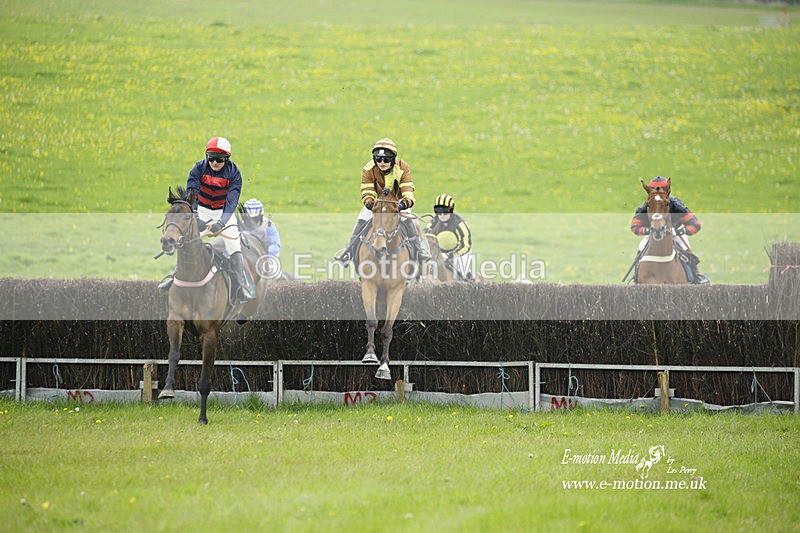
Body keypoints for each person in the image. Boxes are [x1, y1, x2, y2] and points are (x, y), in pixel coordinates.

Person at [159, 137, 256, 302]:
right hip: (201, 209)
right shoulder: (198, 168)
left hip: (223, 212)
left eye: (219, 159)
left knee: (233, 244)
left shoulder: (234, 173)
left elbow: (232, 201)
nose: (215, 162)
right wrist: (196, 215)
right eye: (211, 158)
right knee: (187, 240)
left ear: (227, 159)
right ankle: (174, 278)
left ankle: (240, 286)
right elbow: (192, 194)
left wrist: (221, 223)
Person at [335, 138, 431, 266]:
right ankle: (348, 252)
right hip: (377, 203)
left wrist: (403, 204)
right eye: (378, 159)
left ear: (392, 159)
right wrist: (370, 203)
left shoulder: (403, 167)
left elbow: (408, 191)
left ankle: (420, 252)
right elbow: (367, 191)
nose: (382, 162)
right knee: (362, 218)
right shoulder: (368, 169)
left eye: (386, 160)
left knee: (410, 221)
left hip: (398, 203)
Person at [630, 176, 708, 284]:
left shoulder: (676, 205)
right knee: (641, 248)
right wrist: (647, 231)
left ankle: (695, 277)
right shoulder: (647, 205)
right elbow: (634, 226)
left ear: (667, 192)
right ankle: (636, 279)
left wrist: (680, 232)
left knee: (685, 249)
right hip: (653, 231)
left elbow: (695, 224)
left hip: (675, 232)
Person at [424, 193, 475, 281]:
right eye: (438, 212)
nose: (442, 215)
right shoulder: (432, 222)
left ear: (451, 210)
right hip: (440, 251)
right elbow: (426, 238)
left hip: (460, 251)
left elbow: (466, 245)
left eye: (445, 211)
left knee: (463, 270)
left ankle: (470, 283)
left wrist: (450, 255)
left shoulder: (460, 223)